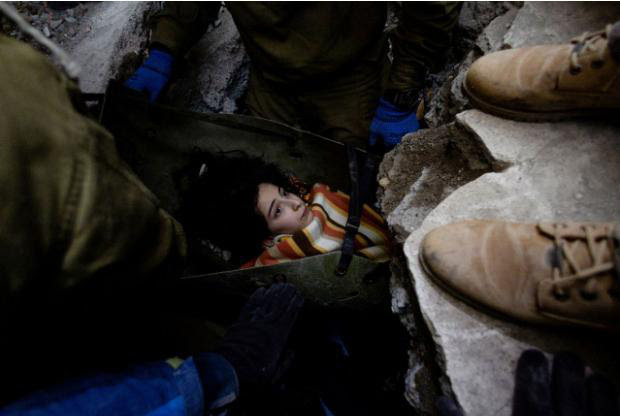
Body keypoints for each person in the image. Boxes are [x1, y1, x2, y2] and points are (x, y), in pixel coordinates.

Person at [126, 2, 462, 149]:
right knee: (257, 179)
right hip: (270, 79)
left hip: (351, 77)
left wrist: (402, 90)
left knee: (354, 186)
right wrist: (165, 50)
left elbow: (432, 5)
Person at [177, 151, 392, 268]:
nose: (295, 203)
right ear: (266, 238)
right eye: (277, 211)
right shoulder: (279, 258)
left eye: (285, 193)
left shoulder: (318, 196)